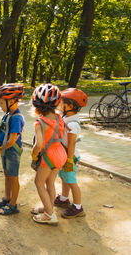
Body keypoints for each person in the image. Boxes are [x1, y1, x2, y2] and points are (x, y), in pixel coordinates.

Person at [30, 83, 67, 224]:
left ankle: (49, 215)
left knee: (38, 183)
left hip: (48, 156)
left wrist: (34, 154)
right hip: (60, 154)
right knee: (50, 183)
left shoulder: (40, 122)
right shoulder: (59, 118)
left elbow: (38, 145)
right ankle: (48, 207)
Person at [0, 83, 25, 215]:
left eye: (1, 103)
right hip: (5, 150)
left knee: (13, 177)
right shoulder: (8, 114)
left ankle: (13, 204)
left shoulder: (16, 118)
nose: (0, 106)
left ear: (11, 101)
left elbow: (11, 141)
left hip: (12, 151)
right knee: (7, 174)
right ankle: (7, 197)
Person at [55, 88, 88, 218]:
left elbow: (72, 144)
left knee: (72, 181)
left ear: (70, 105)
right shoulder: (66, 117)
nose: (59, 105)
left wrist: (69, 160)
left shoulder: (73, 124)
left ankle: (78, 207)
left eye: (62, 102)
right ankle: (64, 198)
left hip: (70, 157)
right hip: (64, 155)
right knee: (64, 178)